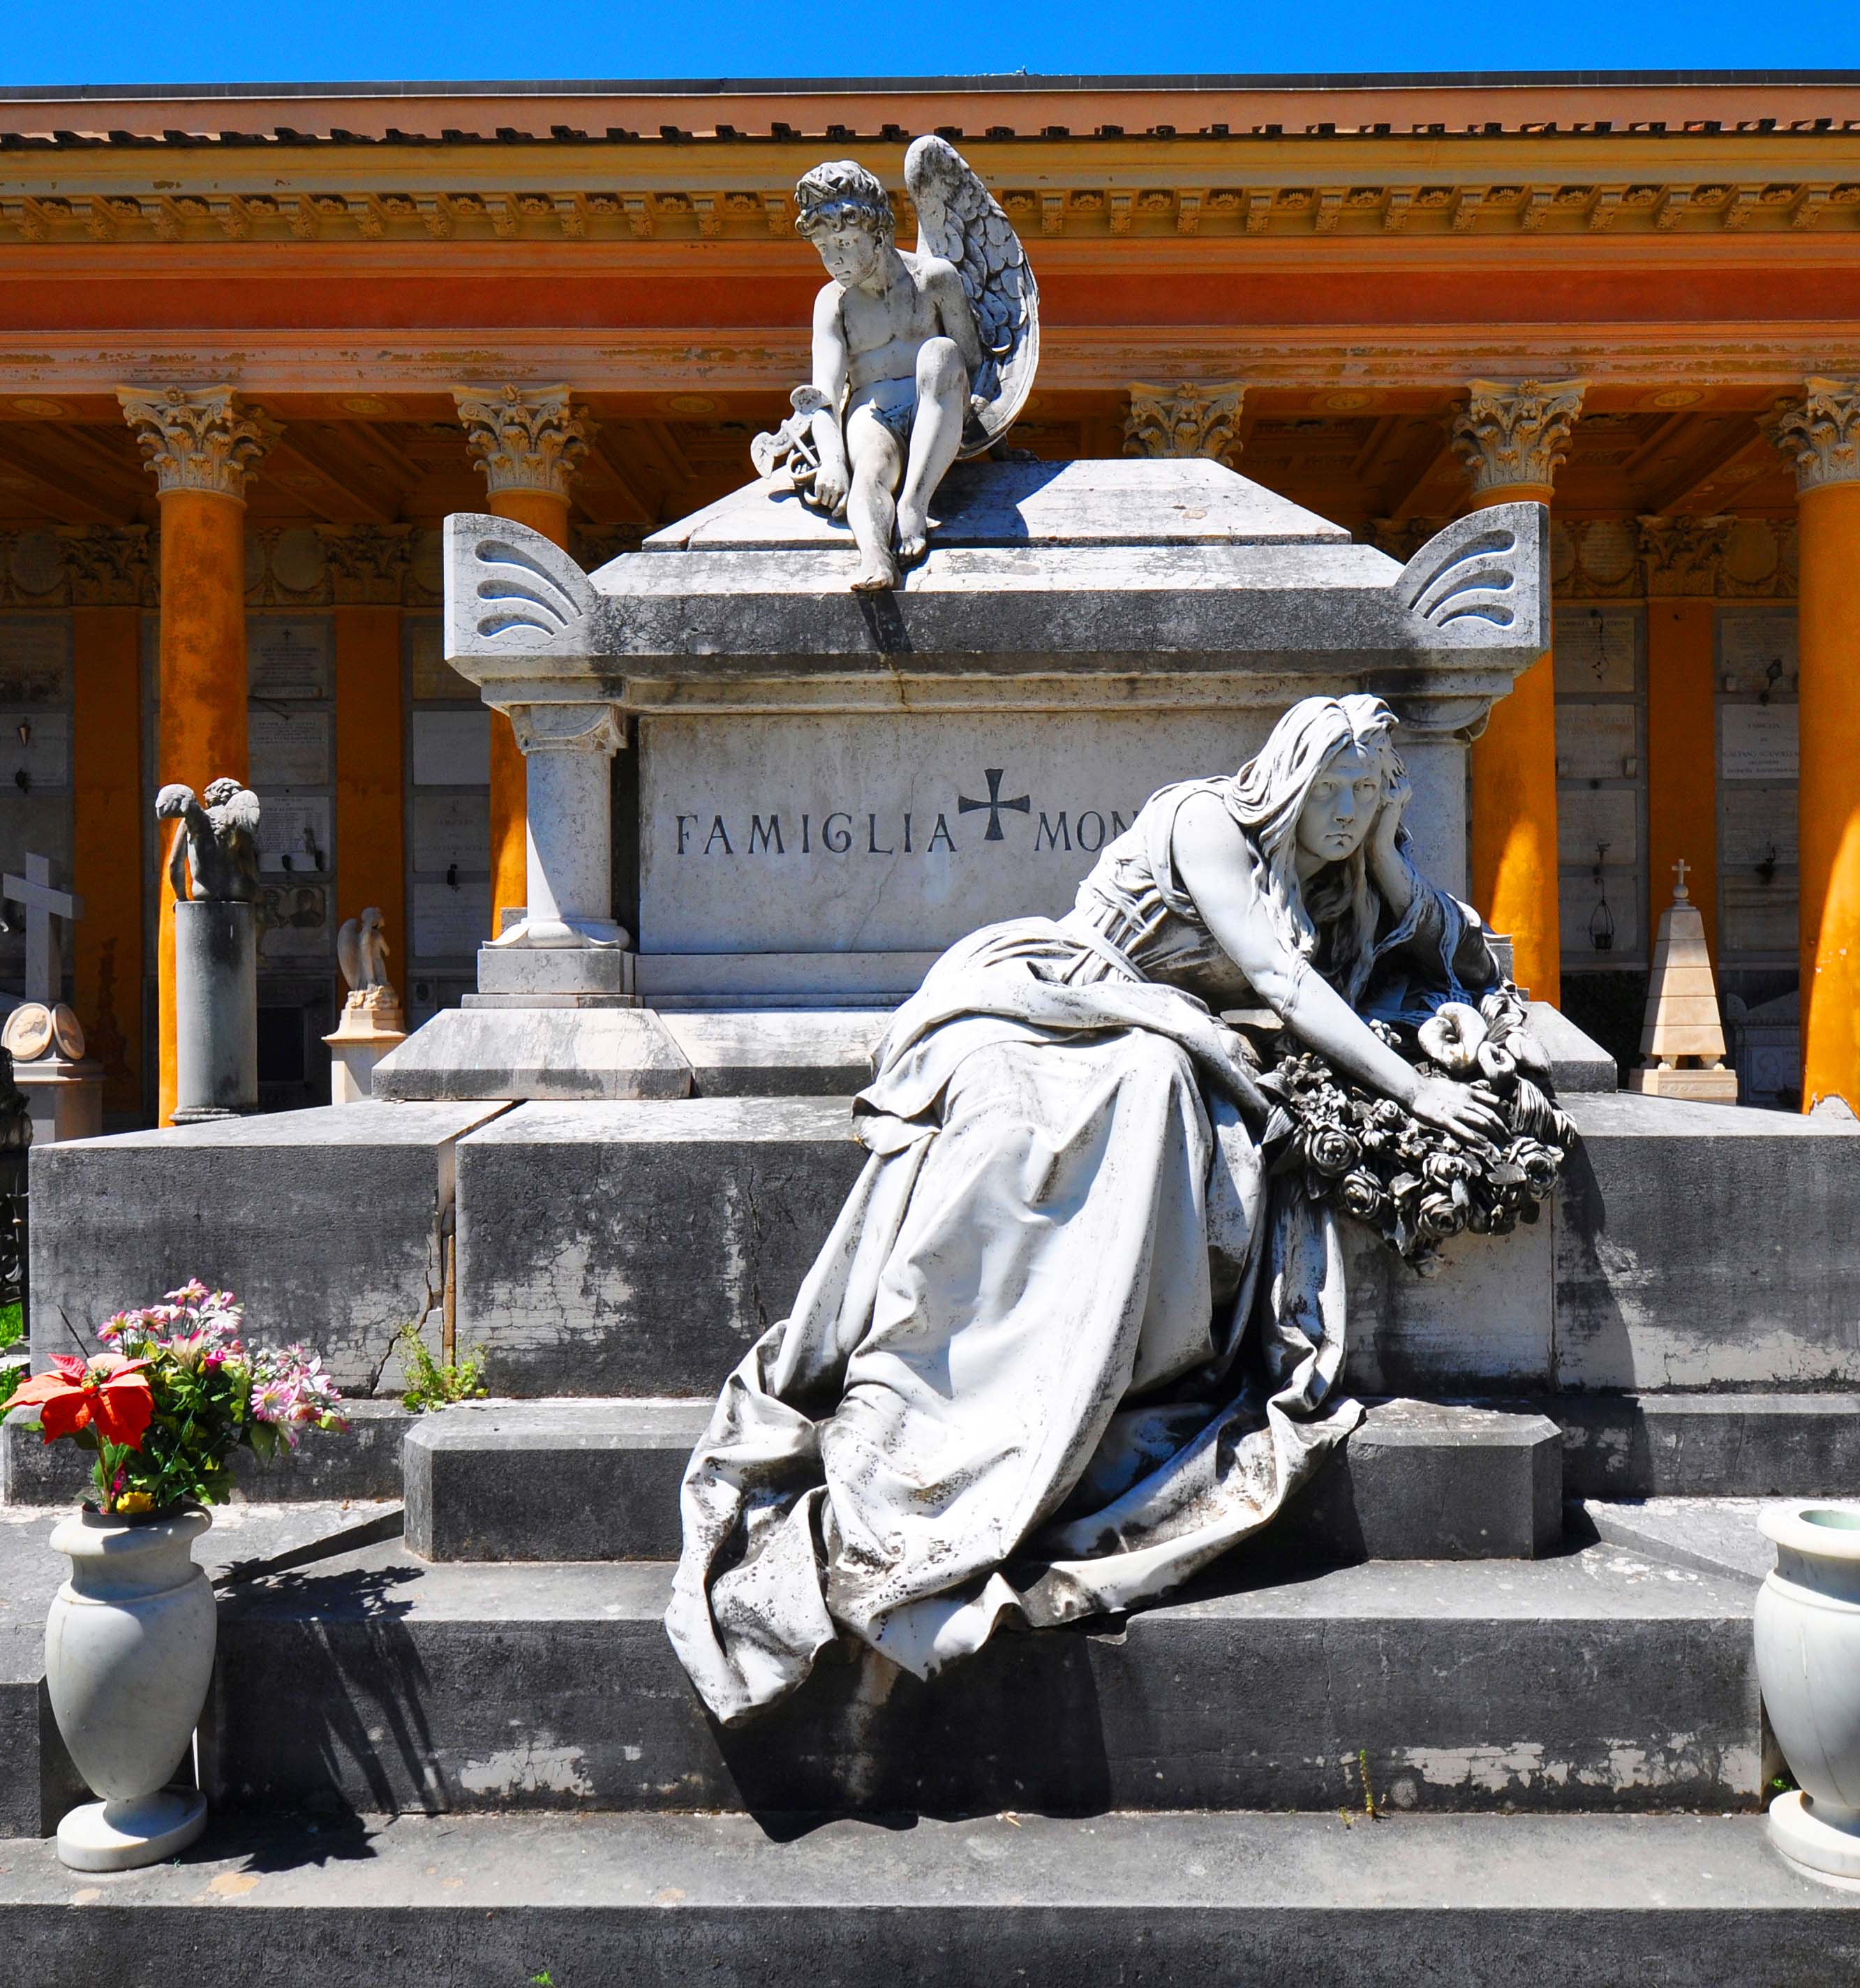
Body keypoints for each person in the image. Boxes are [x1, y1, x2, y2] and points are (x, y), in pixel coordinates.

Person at [669, 695, 1511, 1723]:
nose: (1341, 809)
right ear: (1285, 778)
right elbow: (1284, 980)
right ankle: (942, 1397)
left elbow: (1451, 948)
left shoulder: (1341, 867)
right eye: (1326, 788)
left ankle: (1075, 1375)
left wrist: (1382, 853)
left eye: (1364, 792)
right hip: (1061, 997)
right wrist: (1420, 1092)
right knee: (1104, 1094)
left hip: (1158, 1037)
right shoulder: (1212, 823)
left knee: (1158, 1083)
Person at [789, 158, 984, 593]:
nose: (834, 260)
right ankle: (875, 558)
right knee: (871, 472)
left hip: (937, 403)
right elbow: (824, 391)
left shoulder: (935, 280)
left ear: (877, 231)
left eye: (843, 242)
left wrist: (994, 433)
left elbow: (970, 365)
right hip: (872, 411)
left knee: (939, 352)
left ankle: (914, 504)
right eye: (824, 249)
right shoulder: (834, 302)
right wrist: (834, 463)